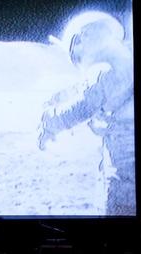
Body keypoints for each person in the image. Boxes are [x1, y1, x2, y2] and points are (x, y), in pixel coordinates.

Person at [38, 12, 134, 215]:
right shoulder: (124, 60)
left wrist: (49, 121)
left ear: (87, 36)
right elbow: (86, 89)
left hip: (124, 164)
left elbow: (82, 106)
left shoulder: (107, 69)